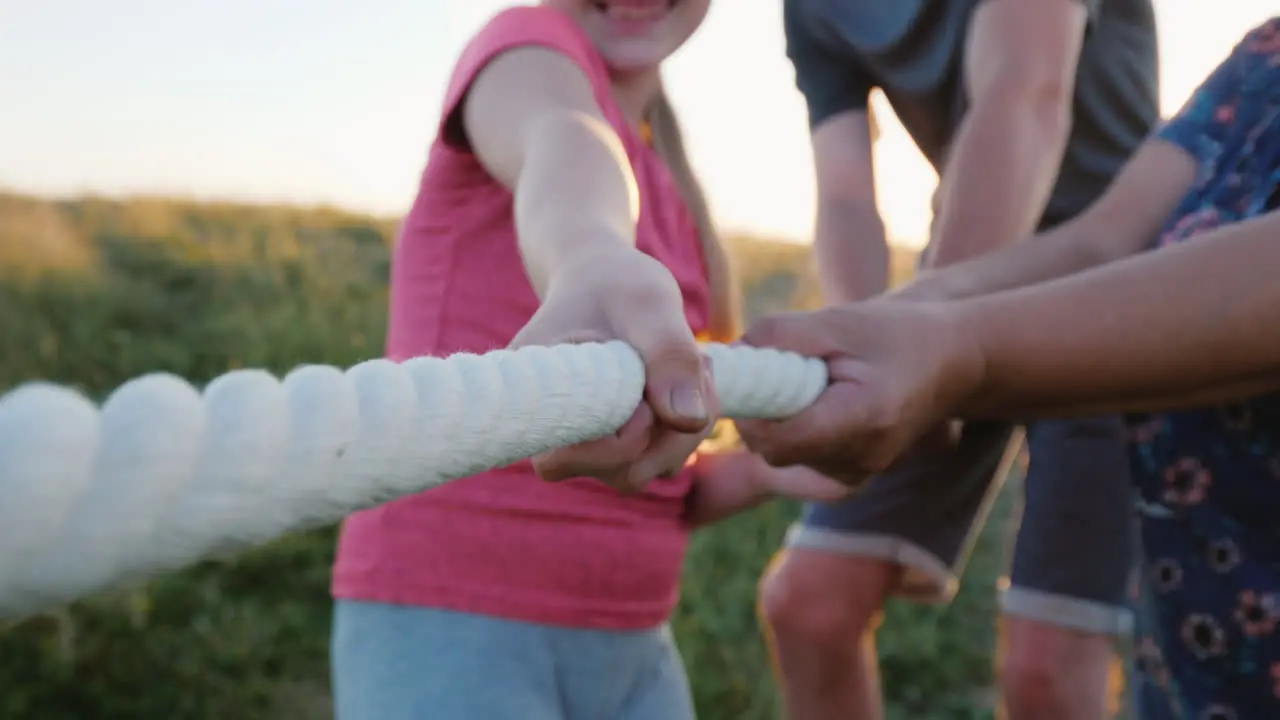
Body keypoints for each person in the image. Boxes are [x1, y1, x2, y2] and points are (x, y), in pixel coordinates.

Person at [737, 17, 1280, 717]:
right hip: (1194, 649)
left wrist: (952, 345)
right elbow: (1101, 240)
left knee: (1046, 673)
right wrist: (881, 325)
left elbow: (1024, 98)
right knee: (808, 603)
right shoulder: (1259, 61)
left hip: (1100, 332)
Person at [327, 2, 847, 718]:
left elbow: (658, 479)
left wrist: (774, 466)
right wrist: (590, 254)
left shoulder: (675, 195)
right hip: (453, 618)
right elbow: (561, 139)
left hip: (633, 642)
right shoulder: (523, 50)